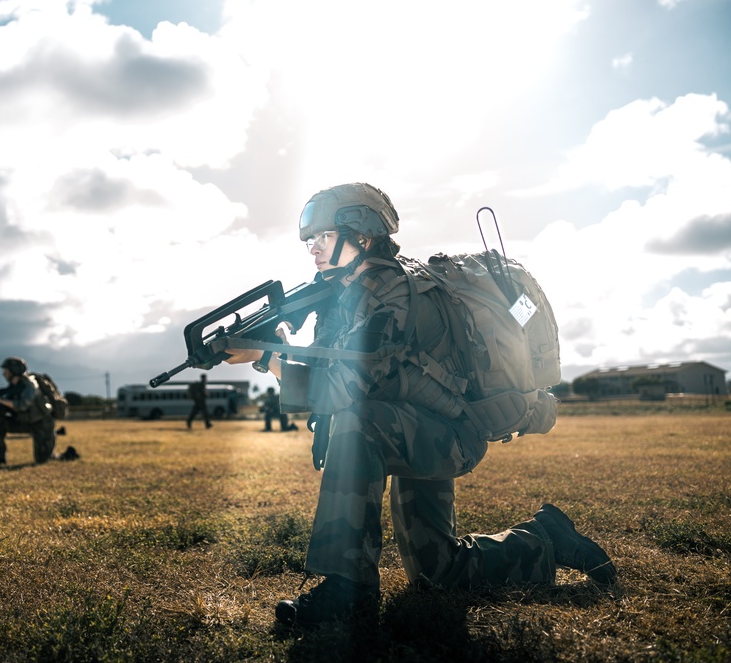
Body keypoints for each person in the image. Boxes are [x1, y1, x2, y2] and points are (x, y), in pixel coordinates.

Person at [223, 182, 617, 627]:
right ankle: (546, 540)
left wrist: (265, 357)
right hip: (417, 423)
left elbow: (339, 392)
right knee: (438, 572)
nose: (312, 248)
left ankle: (348, 588)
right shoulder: (349, 293)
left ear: (362, 236)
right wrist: (272, 351)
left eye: (324, 237)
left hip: (448, 433)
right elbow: (332, 369)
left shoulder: (389, 295)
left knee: (358, 424)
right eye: (310, 239)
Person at [0, 357, 57, 467]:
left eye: (6, 371)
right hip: (24, 421)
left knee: (42, 459)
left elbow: (23, 405)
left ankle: (66, 455)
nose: (4, 374)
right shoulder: (13, 387)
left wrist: (0, 400)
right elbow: (7, 408)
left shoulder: (30, 385)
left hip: (42, 424)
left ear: (14, 371)